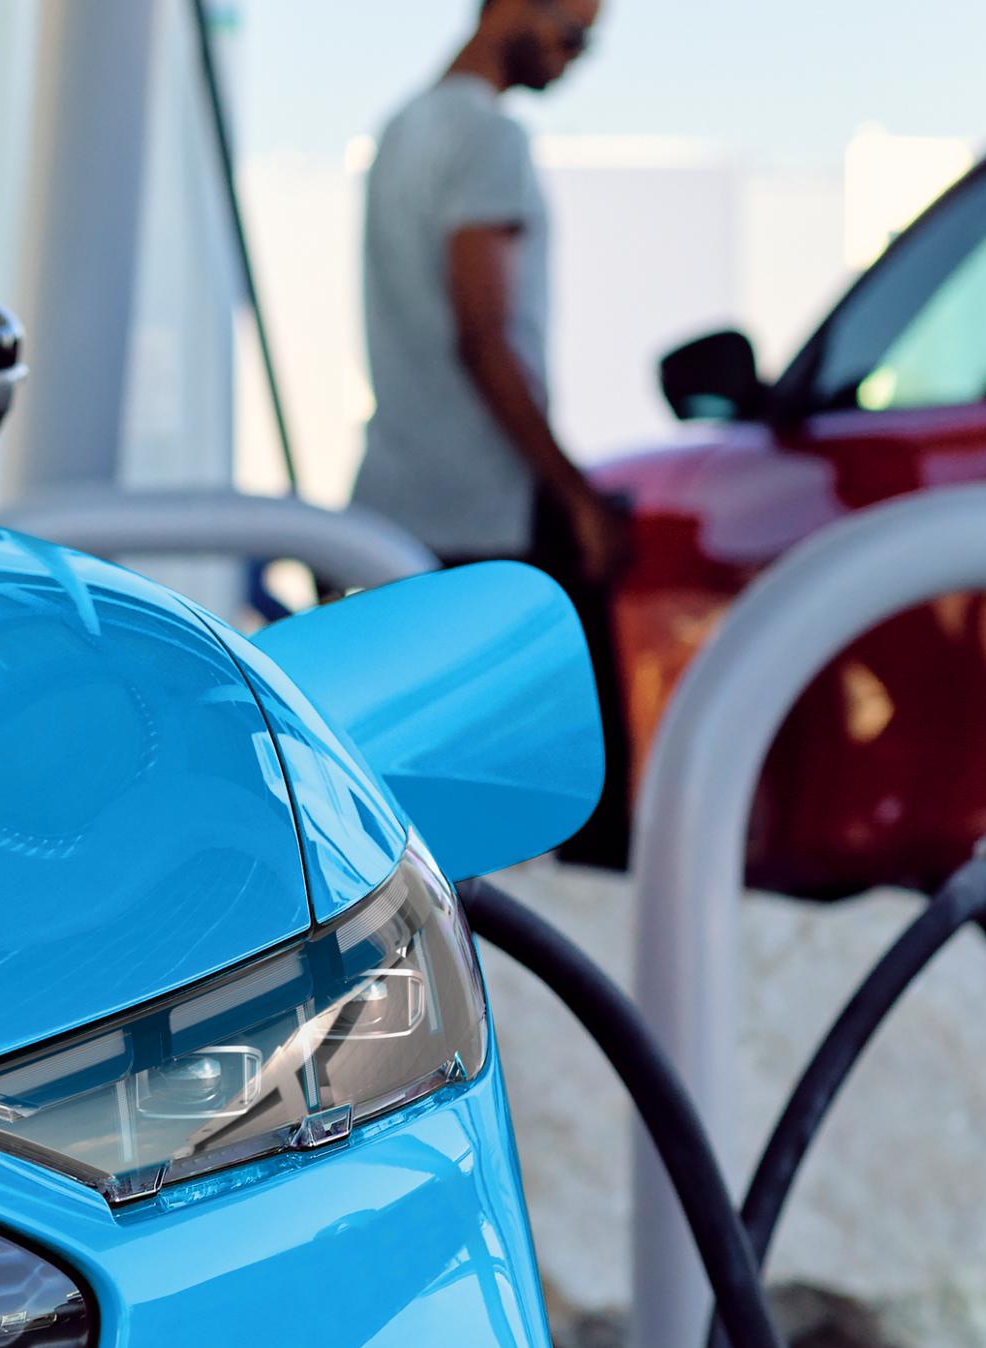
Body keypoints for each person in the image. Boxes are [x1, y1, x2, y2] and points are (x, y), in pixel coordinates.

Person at [349, 0, 633, 865]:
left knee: (415, 821)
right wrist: (575, 494)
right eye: (572, 31)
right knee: (587, 820)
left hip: (397, 500)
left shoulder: (400, 129)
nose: (578, 59)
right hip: (490, 515)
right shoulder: (489, 138)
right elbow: (486, 338)